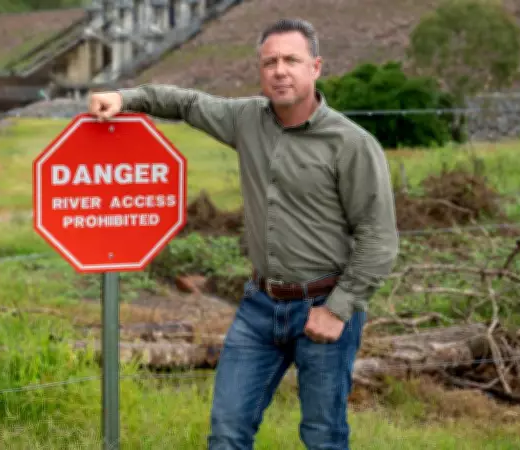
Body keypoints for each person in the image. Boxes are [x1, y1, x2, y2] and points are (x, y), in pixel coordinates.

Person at [86, 18, 399, 450]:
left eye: (292, 60)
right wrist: (125, 97)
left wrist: (339, 309)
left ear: (316, 67)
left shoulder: (351, 144)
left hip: (324, 305)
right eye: (269, 62)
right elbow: (187, 103)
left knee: (323, 436)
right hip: (259, 306)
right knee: (228, 431)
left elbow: (379, 238)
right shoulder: (246, 120)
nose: (280, 70)